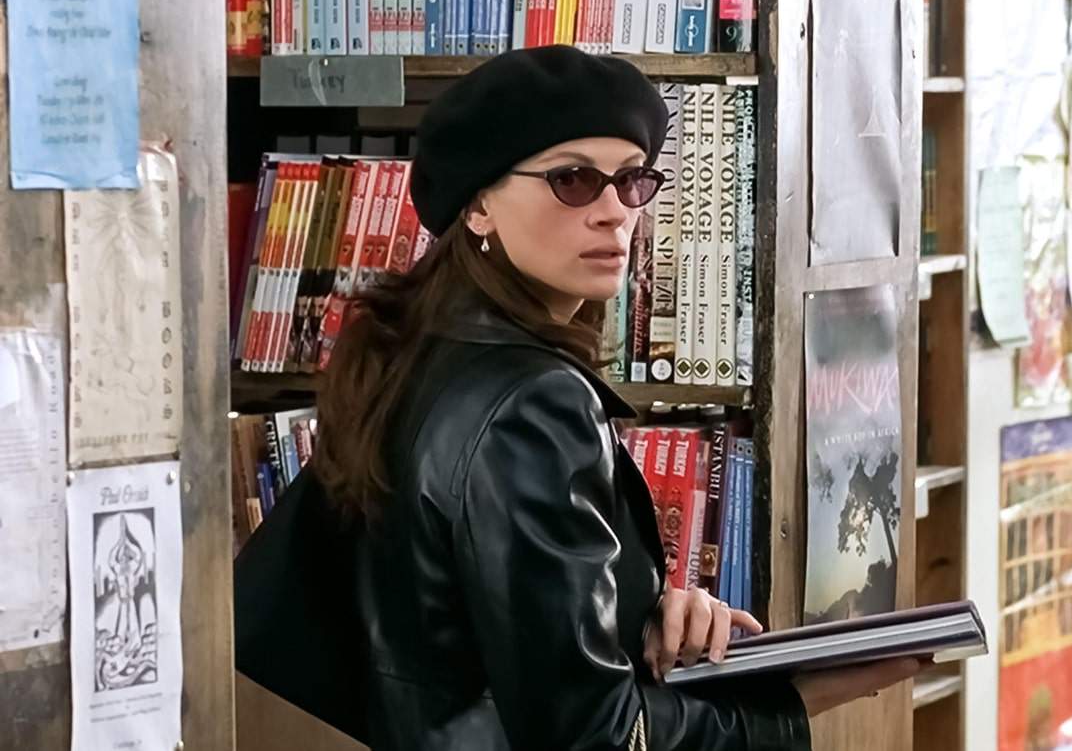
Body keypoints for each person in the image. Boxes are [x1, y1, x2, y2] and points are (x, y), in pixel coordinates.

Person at [234, 45, 922, 751]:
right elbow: (592, 736)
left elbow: (467, 633)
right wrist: (792, 704)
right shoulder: (534, 405)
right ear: (477, 206)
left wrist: (636, 616)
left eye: (630, 182)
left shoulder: (412, 358)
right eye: (572, 181)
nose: (613, 214)